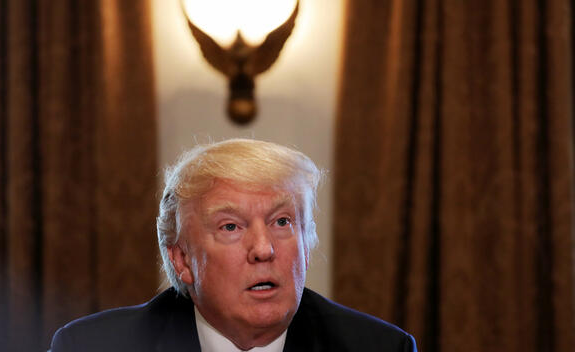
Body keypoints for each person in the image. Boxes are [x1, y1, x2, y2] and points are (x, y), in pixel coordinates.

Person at [50, 138, 417, 351]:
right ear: (182, 259)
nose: (263, 249)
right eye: (231, 227)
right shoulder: (91, 347)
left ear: (307, 246)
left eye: (282, 222)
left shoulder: (380, 348)